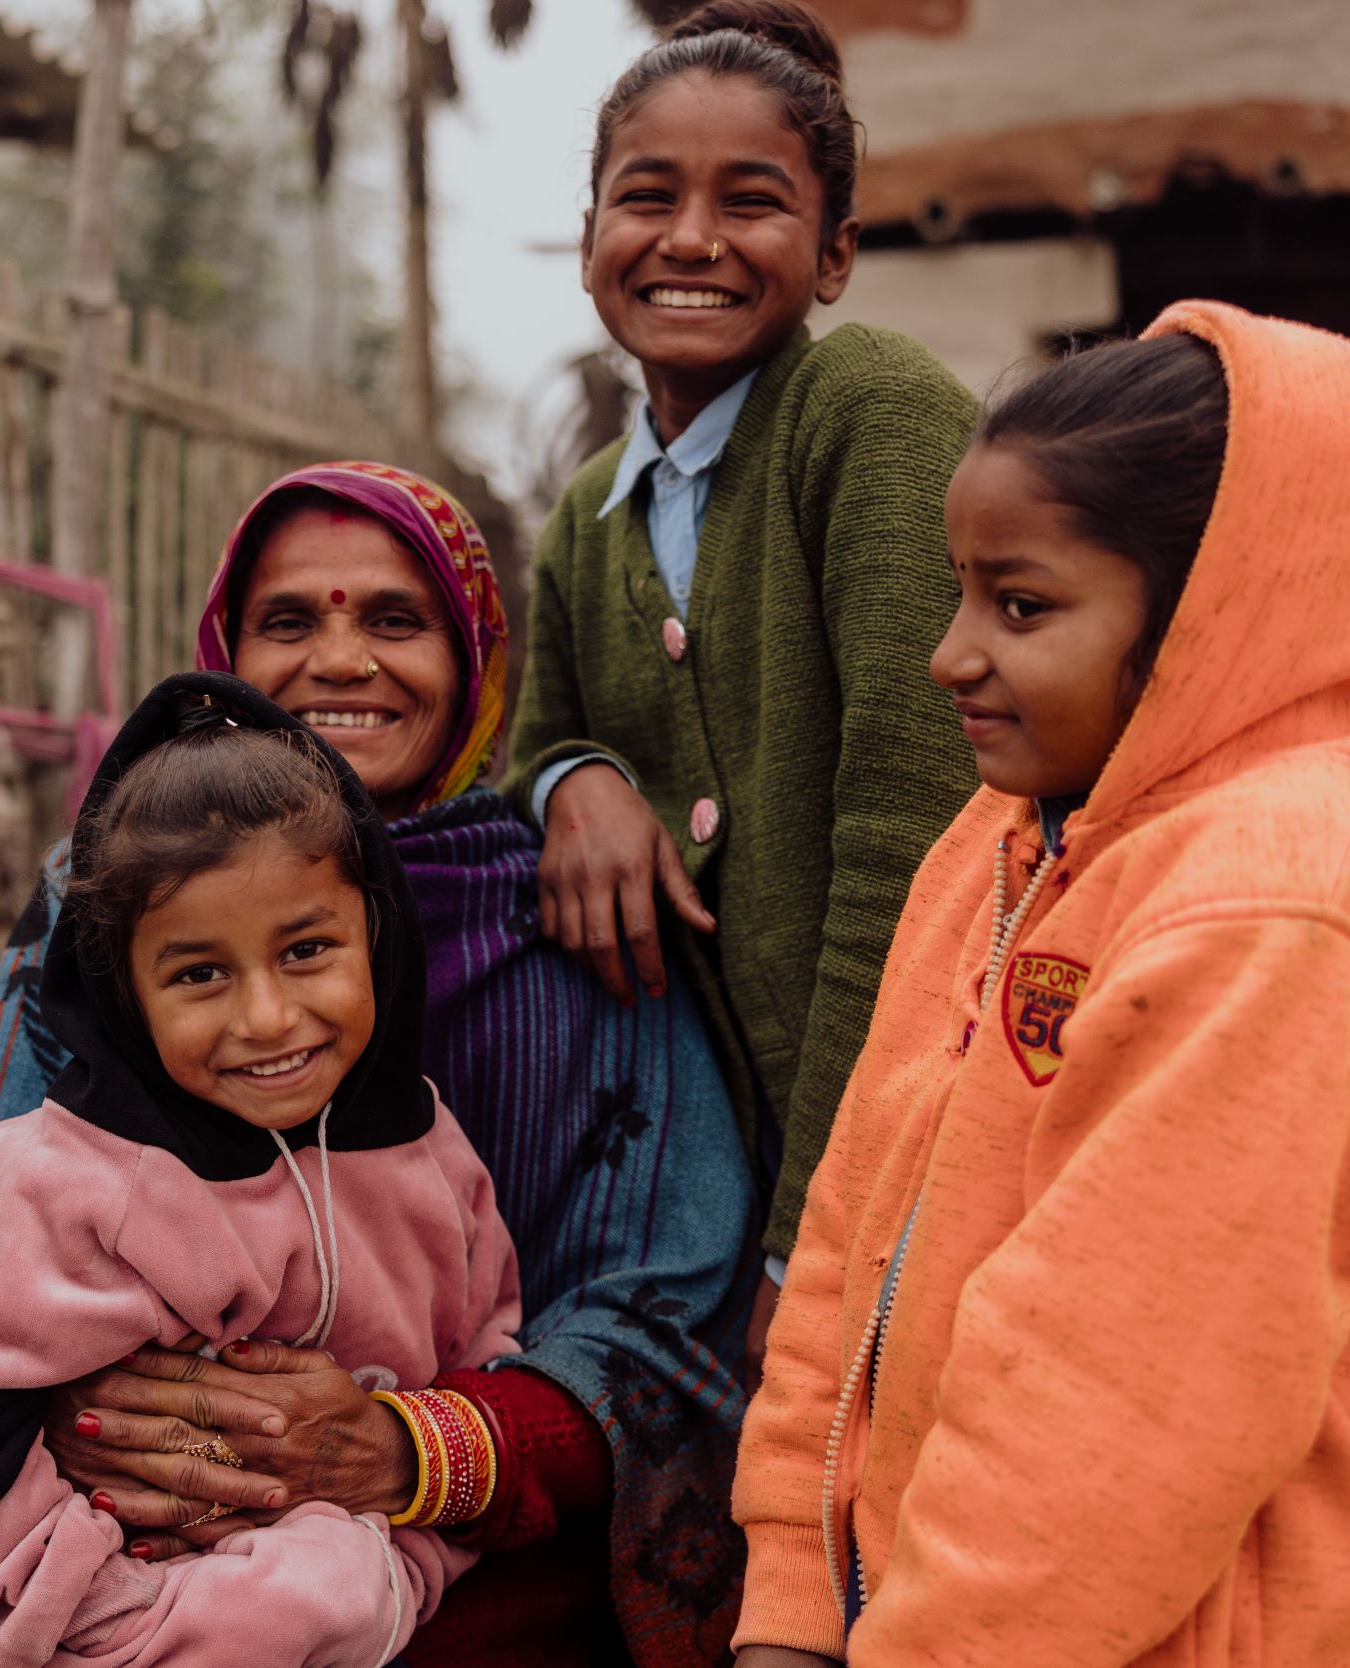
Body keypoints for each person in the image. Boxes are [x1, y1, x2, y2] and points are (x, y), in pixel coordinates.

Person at [0, 462, 755, 1665]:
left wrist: (408, 1448)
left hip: (469, 1596)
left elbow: (663, 1325)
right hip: (115, 1561)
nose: (338, 661)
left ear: (479, 657)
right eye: (288, 621)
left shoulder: (578, 907)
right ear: (227, 646)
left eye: (395, 619)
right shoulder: (117, 888)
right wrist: (75, 1402)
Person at [732, 304, 1350, 1667]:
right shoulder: (1004, 841)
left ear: (1216, 615)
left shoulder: (1275, 900)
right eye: (961, 592)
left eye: (1022, 606)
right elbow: (850, 1228)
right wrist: (789, 1595)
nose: (952, 654)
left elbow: (1112, 1410)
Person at [0, 672, 522, 1667]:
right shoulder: (51, 1184)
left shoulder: (432, 1164)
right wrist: (117, 1621)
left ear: (374, 931)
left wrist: (376, 1582)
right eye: (199, 973)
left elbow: (480, 1358)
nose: (269, 1018)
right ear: (124, 990)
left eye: (307, 949)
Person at [501, 0, 981, 1333]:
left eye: (752, 201)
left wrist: (807, 1247)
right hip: (695, 1188)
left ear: (834, 255)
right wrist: (576, 780)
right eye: (645, 196)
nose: (692, 239)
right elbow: (528, 750)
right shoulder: (588, 512)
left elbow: (911, 847)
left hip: (894, 1173)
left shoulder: (867, 413)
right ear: (592, 235)